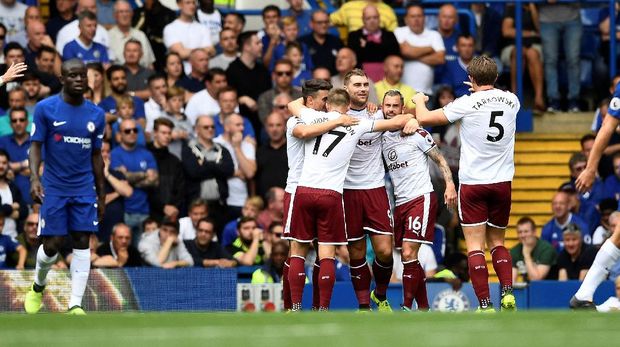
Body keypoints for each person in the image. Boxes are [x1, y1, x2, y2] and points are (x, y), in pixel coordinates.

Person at [286, 88, 417, 311]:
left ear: (327, 105)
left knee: (298, 250)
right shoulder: (357, 124)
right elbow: (396, 122)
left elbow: (293, 104)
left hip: (303, 190)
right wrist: (411, 117)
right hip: (331, 194)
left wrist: (330, 118)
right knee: (327, 252)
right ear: (348, 106)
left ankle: (296, 307)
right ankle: (324, 309)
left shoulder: (312, 116)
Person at [412, 55, 519, 311]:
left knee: (474, 246)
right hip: (502, 182)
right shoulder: (513, 100)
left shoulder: (466, 103)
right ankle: (506, 292)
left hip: (473, 184)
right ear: (495, 77)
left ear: (471, 78)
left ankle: (485, 304)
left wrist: (418, 101)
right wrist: (481, 89)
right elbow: (491, 98)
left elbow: (425, 118)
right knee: (498, 243)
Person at [25, 59, 106, 315]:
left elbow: (96, 156)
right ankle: (38, 286)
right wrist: (34, 179)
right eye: (73, 76)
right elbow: (35, 146)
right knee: (54, 244)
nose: (79, 80)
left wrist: (101, 195)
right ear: (62, 79)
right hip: (54, 187)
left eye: (82, 75)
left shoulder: (97, 114)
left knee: (83, 240)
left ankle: (75, 304)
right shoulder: (45, 108)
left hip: (83, 188)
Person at [381, 89, 457, 311]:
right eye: (388, 106)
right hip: (400, 202)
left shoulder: (417, 133)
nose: (391, 110)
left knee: (407, 253)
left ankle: (406, 306)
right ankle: (423, 307)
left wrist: (450, 184)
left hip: (420, 198)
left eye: (396, 106)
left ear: (402, 108)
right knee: (409, 259)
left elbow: (440, 159)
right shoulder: (382, 134)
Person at [181, 115, 234, 233]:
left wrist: (205, 164)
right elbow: (193, 172)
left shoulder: (221, 149)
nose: (210, 129)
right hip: (197, 206)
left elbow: (229, 170)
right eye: (206, 127)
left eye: (212, 127)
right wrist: (217, 168)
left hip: (219, 206)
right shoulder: (189, 149)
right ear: (197, 129)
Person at [110, 118, 159, 244]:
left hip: (144, 211)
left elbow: (154, 181)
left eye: (135, 130)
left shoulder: (146, 154)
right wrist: (144, 174)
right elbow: (119, 178)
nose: (132, 133)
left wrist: (129, 176)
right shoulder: (114, 154)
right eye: (127, 131)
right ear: (119, 135)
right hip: (124, 211)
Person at [538, 2, 582, 113]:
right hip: (547, 20)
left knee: (573, 60)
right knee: (550, 61)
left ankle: (574, 100)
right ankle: (553, 101)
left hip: (572, 19)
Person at [501, 3, 545, 112]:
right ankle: (515, 97)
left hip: (534, 47)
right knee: (519, 52)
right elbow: (507, 31)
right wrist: (530, 33)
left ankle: (539, 98)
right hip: (512, 47)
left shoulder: (539, 7)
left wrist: (533, 8)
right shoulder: (511, 7)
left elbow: (540, 31)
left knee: (532, 54)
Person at [226, 31, 271, 134]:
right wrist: (241, 99)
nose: (262, 45)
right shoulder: (232, 70)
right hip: (241, 122)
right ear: (246, 46)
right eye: (258, 43)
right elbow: (227, 97)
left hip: (263, 120)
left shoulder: (263, 70)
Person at [395, 4, 445, 97]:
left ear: (424, 18)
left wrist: (412, 54)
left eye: (419, 16)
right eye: (413, 16)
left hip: (425, 92)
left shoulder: (434, 35)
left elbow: (440, 58)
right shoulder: (399, 32)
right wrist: (429, 49)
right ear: (406, 19)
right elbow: (404, 51)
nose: (416, 19)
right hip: (401, 92)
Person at [213, 114, 256, 220]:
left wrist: (237, 148)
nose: (242, 128)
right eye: (238, 125)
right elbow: (212, 169)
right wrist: (234, 172)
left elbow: (250, 172)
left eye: (242, 125)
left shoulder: (247, 145)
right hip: (218, 200)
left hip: (240, 200)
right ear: (227, 127)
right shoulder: (215, 144)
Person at [347, 5, 400, 82]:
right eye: (368, 18)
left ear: (379, 18)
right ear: (363, 20)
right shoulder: (354, 36)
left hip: (387, 81)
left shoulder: (389, 35)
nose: (372, 21)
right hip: (360, 81)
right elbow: (355, 58)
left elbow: (394, 56)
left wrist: (367, 46)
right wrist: (380, 49)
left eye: (375, 17)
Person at [147, 117, 185, 223]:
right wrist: (162, 207)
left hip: (171, 214)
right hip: (148, 213)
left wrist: (173, 207)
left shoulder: (175, 161)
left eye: (169, 133)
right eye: (163, 133)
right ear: (155, 133)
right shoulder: (144, 156)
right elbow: (145, 188)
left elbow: (180, 188)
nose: (167, 136)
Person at [163, 0, 213, 75]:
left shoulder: (203, 28)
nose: (192, 6)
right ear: (179, 4)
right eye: (188, 3)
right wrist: (202, 50)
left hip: (203, 74)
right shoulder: (170, 28)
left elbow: (211, 51)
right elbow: (181, 54)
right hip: (181, 75)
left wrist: (188, 51)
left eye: (194, 3)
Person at [0, 107, 33, 205]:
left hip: (34, 202)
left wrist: (12, 168)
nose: (18, 123)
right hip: (9, 204)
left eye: (21, 120)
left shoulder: (37, 142)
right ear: (10, 124)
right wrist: (25, 164)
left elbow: (42, 169)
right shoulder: (2, 141)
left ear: (27, 122)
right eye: (14, 120)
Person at [107, 0, 155, 68]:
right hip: (118, 77)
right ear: (115, 15)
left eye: (127, 11)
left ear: (132, 14)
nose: (124, 15)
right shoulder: (108, 37)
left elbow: (150, 64)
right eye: (121, 12)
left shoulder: (141, 35)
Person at [510, 217, 557, 283]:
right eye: (520, 232)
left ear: (534, 232)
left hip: (549, 289)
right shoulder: (514, 251)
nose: (523, 235)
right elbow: (511, 281)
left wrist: (526, 254)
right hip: (527, 290)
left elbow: (536, 279)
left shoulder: (546, 249)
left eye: (526, 231)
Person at [298, 9, 343, 75]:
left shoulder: (337, 41)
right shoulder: (302, 42)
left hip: (334, 81)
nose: (324, 25)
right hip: (310, 81)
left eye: (326, 22)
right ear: (311, 24)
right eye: (319, 22)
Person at [257, 59, 302, 124]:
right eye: (280, 73)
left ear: (292, 75)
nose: (284, 76)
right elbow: (266, 122)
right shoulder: (264, 98)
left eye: (288, 73)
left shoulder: (301, 96)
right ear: (273, 75)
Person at [255, 113, 287, 198]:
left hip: (289, 202)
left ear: (285, 127)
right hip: (264, 204)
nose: (274, 129)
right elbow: (254, 179)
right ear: (265, 128)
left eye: (278, 125)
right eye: (271, 125)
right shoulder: (259, 151)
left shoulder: (293, 150)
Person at [0, 148, 28, 239]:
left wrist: (5, 211)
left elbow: (25, 210)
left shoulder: (12, 187)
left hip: (14, 237)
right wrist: (13, 206)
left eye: (4, 163)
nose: (1, 166)